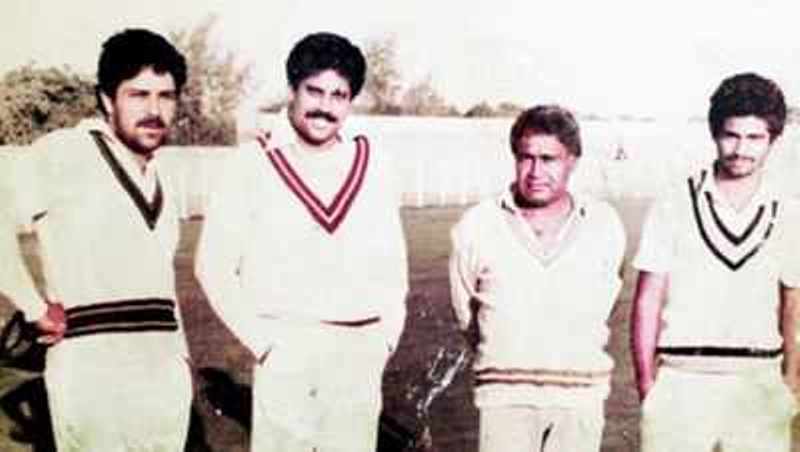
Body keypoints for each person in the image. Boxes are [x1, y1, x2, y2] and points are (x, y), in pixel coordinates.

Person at [195, 31, 409, 451]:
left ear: (350, 101)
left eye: (338, 95)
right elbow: (212, 266)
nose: (325, 107)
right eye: (314, 91)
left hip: (358, 349)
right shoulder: (251, 161)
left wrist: (382, 341)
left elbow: (392, 266)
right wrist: (266, 345)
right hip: (286, 344)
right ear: (292, 89)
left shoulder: (375, 164)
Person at [11, 28, 192, 451]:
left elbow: (162, 284)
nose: (154, 110)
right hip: (93, 370)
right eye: (139, 95)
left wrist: (181, 361)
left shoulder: (162, 175)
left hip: (163, 374)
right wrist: (32, 305)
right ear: (107, 99)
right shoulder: (65, 151)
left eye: (166, 96)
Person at [631, 72, 800, 451]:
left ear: (773, 139)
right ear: (714, 133)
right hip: (681, 380)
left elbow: (795, 303)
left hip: (759, 382)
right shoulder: (674, 202)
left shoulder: (789, 211)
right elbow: (647, 300)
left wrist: (790, 383)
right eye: (732, 135)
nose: (741, 149)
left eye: (755, 137)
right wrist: (647, 385)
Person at [449, 105, 626, 451]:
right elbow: (467, 314)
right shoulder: (477, 225)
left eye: (549, 159)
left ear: (573, 160)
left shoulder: (604, 224)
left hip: (580, 397)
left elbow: (608, 300)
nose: (535, 171)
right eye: (526, 158)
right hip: (504, 399)